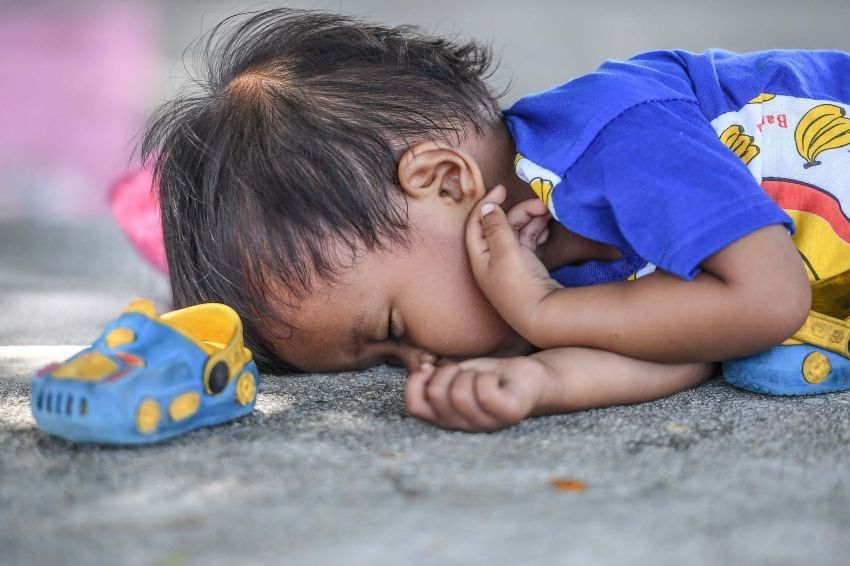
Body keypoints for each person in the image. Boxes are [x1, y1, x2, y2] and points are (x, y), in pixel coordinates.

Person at [141, 8, 850, 432]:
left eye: (393, 331)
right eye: (390, 363)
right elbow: (690, 341)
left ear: (445, 181)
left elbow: (764, 301)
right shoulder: (529, 269)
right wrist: (542, 385)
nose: (419, 367)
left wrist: (546, 314)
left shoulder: (619, 132)